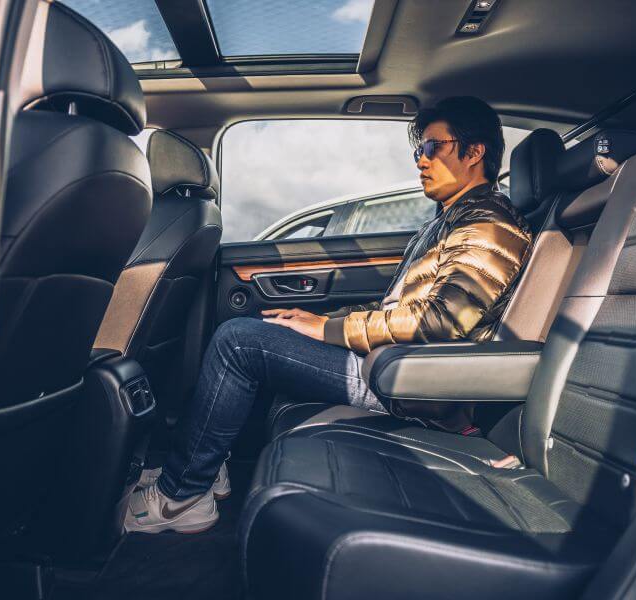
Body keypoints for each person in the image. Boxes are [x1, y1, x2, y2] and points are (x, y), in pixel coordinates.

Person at [126, 96, 533, 533]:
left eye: (433, 147)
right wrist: (314, 321)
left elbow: (438, 324)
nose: (421, 160)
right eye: (420, 149)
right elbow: (394, 307)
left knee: (238, 343)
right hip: (391, 363)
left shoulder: (490, 226)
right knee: (259, 328)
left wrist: (329, 328)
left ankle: (182, 495)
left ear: (474, 152)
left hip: (412, 385)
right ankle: (202, 466)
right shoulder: (450, 221)